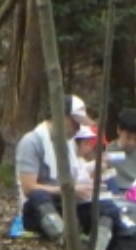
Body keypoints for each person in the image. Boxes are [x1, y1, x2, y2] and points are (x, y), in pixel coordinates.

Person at [14, 97, 107, 241]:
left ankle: (99, 247)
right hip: (39, 208)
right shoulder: (31, 142)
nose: (78, 128)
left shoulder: (69, 144)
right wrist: (68, 189)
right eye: (75, 122)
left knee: (109, 208)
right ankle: (63, 236)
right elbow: (29, 188)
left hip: (68, 205)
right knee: (39, 196)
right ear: (60, 116)